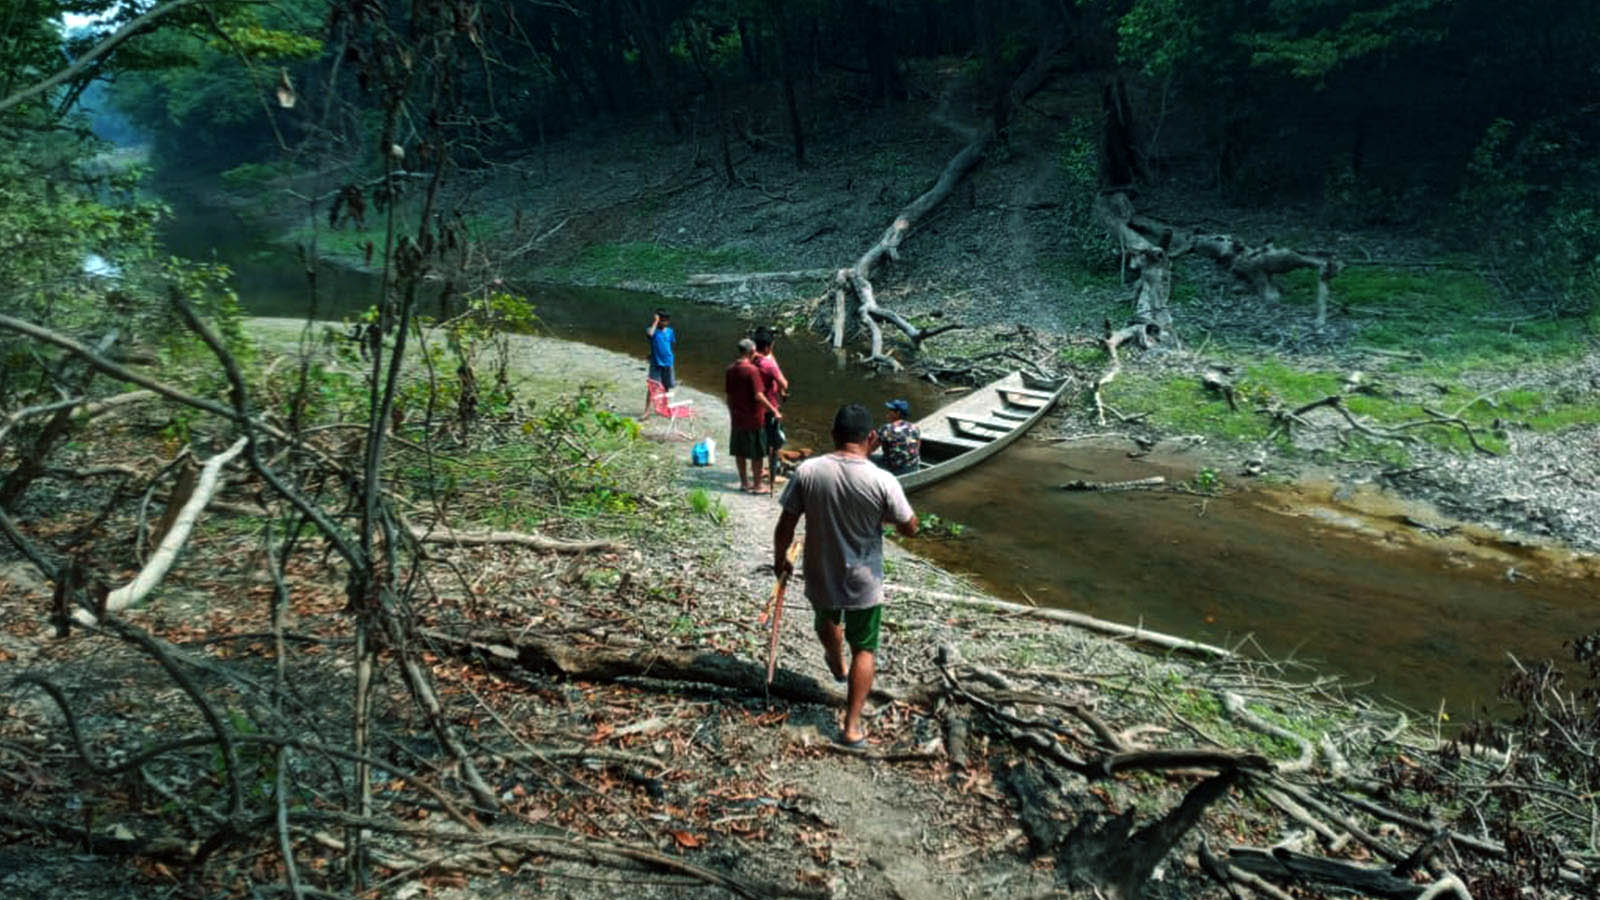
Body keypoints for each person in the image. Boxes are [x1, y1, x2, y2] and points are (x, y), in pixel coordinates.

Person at [773, 404, 919, 747]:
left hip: (821, 571)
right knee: (864, 649)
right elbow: (910, 528)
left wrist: (781, 561)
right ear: (871, 438)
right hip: (864, 581)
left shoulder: (808, 471)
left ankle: (836, 664)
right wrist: (896, 519)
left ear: (833, 435)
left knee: (825, 620)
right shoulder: (882, 480)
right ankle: (851, 728)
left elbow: (785, 525)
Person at [724, 338, 781, 493]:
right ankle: (757, 485)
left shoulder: (730, 369)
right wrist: (774, 410)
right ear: (750, 352)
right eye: (754, 351)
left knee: (740, 451)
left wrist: (731, 412)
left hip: (737, 416)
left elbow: (728, 396)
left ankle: (744, 483)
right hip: (754, 417)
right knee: (757, 453)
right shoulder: (752, 370)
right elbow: (759, 396)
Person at [752, 328, 789, 492]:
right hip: (770, 407)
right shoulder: (768, 364)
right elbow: (784, 383)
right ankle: (772, 477)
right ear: (768, 347)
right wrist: (782, 388)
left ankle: (759, 471)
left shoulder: (750, 359)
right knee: (774, 443)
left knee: (759, 439)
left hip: (754, 406)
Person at [875, 399, 921, 476]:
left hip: (894, 470)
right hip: (913, 467)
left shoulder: (886, 428)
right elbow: (918, 446)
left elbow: (871, 447)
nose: (888, 412)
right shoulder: (915, 427)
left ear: (897, 413)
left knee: (869, 458)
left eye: (891, 410)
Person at [645, 309, 676, 411]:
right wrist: (655, 321)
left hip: (668, 362)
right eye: (662, 320)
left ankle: (665, 406)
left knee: (666, 386)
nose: (665, 323)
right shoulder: (652, 330)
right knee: (652, 387)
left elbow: (669, 345)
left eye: (666, 320)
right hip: (656, 363)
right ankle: (647, 411)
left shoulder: (670, 331)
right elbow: (650, 335)